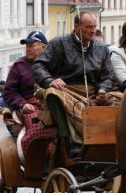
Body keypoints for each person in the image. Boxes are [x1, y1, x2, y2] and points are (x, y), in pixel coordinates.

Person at [32, 11, 114, 147]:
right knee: (52, 93)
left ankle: (114, 139)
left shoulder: (101, 47)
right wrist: (50, 80)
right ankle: (68, 140)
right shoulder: (59, 43)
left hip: (94, 93)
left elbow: (108, 75)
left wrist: (103, 89)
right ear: (76, 27)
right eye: (88, 27)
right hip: (66, 91)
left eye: (94, 26)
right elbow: (38, 66)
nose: (93, 30)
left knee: (122, 99)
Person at [4, 30, 48, 114]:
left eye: (32, 46)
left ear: (44, 47)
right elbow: (9, 92)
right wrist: (22, 104)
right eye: (27, 46)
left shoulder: (54, 63)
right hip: (29, 109)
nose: (28, 49)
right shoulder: (18, 66)